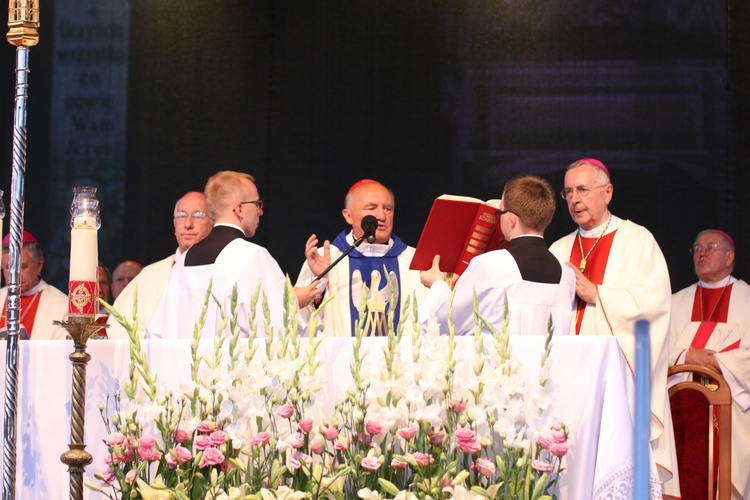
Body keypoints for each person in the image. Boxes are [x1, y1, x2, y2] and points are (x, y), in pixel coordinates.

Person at [548, 158, 678, 493]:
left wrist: (596, 294)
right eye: (568, 192)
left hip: (618, 378)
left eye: (583, 190)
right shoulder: (559, 249)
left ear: (607, 192)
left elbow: (656, 304)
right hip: (568, 380)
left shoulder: (637, 241)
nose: (575, 199)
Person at [147, 171, 318, 339]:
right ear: (239, 209)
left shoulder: (183, 261)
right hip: (231, 367)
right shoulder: (252, 256)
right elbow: (279, 328)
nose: (260, 211)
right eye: (257, 203)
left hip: (184, 366)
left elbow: (156, 333)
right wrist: (295, 303)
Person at [418, 174, 576, 336]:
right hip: (549, 362)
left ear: (511, 219)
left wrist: (437, 284)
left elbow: (445, 323)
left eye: (499, 212)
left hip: (502, 361)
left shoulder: (490, 266)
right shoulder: (567, 276)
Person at [669, 229, 750, 499]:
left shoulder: (747, 299)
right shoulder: (674, 302)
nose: (701, 252)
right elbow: (657, 349)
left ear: (730, 257)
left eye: (710, 247)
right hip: (681, 409)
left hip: (733, 414)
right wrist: (686, 357)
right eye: (696, 248)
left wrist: (716, 362)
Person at [295, 179, 426, 337]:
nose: (381, 216)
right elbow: (300, 321)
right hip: (341, 359)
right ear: (348, 216)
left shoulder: (415, 260)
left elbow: (432, 320)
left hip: (401, 360)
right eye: (371, 208)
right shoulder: (327, 258)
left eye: (388, 209)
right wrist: (320, 282)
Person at [107, 191, 214, 339]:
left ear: (213, 222)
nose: (188, 224)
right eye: (182, 216)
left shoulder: (222, 269)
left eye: (198, 215)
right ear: (174, 223)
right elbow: (118, 326)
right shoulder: (150, 274)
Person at [0, 231, 68, 340]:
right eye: (8, 267)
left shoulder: (62, 305)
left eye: (22, 267)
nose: (14, 275)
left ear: (39, 264)